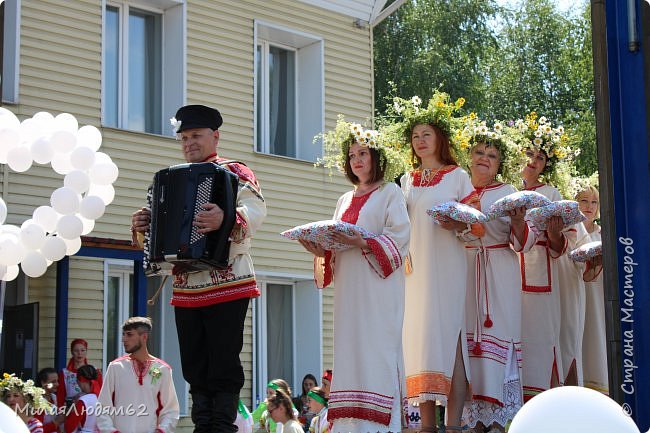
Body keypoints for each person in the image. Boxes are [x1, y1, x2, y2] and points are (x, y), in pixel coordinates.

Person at [131, 104, 266, 433]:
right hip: (187, 287)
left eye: (196, 136)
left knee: (223, 360)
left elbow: (257, 208)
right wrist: (142, 227)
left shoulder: (234, 171)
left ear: (215, 136)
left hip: (228, 280)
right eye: (184, 137)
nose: (189, 142)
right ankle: (203, 424)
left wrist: (225, 217)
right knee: (194, 362)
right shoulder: (168, 179)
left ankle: (221, 426)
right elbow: (157, 241)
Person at [302, 118, 410, 433]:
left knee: (377, 349)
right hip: (349, 291)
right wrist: (320, 251)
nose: (357, 160)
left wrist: (362, 241)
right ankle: (350, 426)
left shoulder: (391, 192)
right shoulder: (343, 199)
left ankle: (382, 426)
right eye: (352, 155)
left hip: (378, 290)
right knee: (350, 350)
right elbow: (336, 248)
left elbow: (400, 239)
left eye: (363, 153)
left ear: (376, 157)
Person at [393, 93, 476, 432]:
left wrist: (459, 224)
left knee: (449, 339)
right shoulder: (406, 181)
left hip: (447, 268)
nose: (420, 140)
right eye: (415, 136)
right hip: (415, 273)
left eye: (427, 134)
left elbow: (478, 224)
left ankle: (453, 425)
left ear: (440, 138)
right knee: (418, 343)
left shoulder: (457, 176)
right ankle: (427, 426)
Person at [457, 121, 532, 432]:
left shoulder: (509, 193)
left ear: (500, 164)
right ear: (470, 156)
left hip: (499, 273)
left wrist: (517, 222)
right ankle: (474, 423)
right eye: (478, 152)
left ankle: (498, 424)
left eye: (491, 154)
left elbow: (524, 243)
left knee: (496, 345)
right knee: (466, 346)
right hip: (464, 271)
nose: (484, 158)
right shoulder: (459, 189)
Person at [513, 114, 577, 401]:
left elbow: (567, 242)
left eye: (540, 157)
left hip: (541, 279)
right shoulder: (506, 189)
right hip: (507, 274)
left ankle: (546, 404)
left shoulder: (551, 193)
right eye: (530, 153)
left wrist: (553, 235)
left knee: (541, 340)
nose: (533, 160)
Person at [97, 317, 179, 433]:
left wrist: (161, 430)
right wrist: (111, 431)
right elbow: (102, 407)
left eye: (129, 335)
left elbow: (171, 410)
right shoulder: (115, 367)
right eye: (123, 334)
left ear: (144, 337)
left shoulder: (161, 369)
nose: (123, 339)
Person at [576, 183, 607, 394]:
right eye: (584, 201)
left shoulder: (605, 235)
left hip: (598, 299)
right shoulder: (572, 232)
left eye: (594, 202)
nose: (589, 206)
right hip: (576, 295)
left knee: (597, 337)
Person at [57, 339, 102, 407]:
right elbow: (60, 396)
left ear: (86, 351)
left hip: (90, 407)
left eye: (82, 350)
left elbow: (100, 391)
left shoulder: (94, 370)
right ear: (72, 352)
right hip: (70, 408)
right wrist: (61, 411)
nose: (79, 353)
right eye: (76, 350)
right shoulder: (65, 373)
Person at [63, 365, 101, 433]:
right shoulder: (102, 397)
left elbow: (69, 427)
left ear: (79, 380)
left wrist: (70, 412)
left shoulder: (83, 400)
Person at [36, 367, 63, 433]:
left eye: (57, 381)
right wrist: (57, 422)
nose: (57, 384)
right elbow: (37, 430)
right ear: (43, 383)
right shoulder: (37, 401)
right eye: (53, 382)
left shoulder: (54, 397)